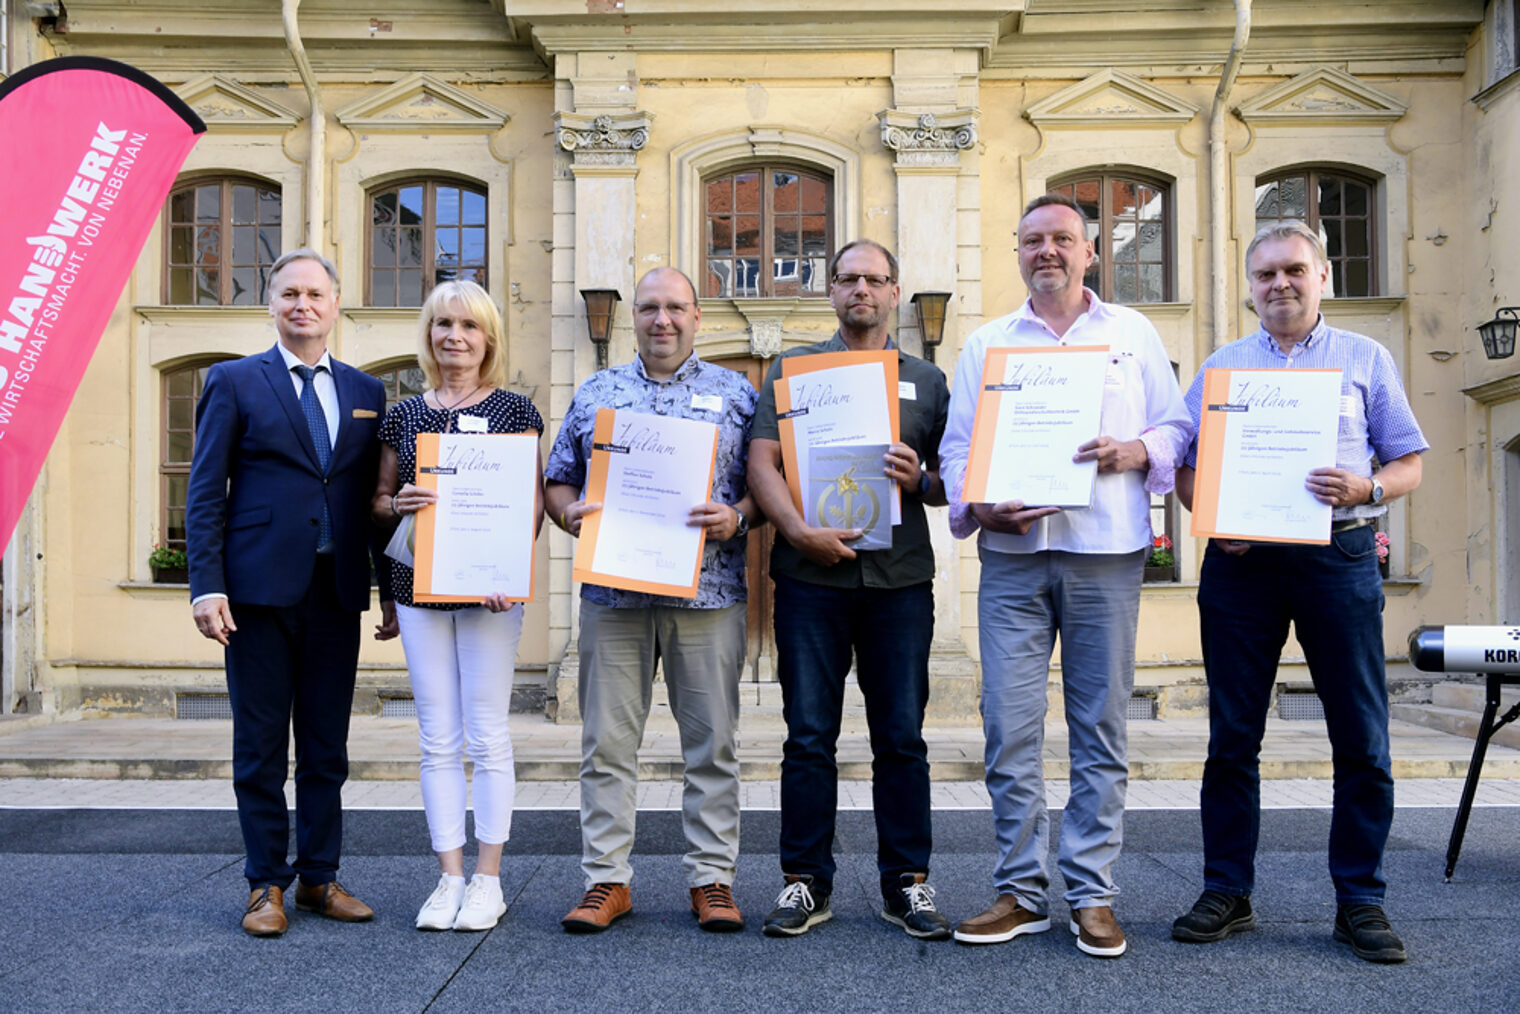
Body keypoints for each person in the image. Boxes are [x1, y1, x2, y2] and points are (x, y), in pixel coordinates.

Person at [938, 195, 1191, 958]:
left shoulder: (1131, 334)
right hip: (1013, 561)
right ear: (1017, 253)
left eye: (1062, 240)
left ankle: (1092, 893)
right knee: (1007, 731)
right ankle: (1020, 892)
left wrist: (1138, 450)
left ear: (1089, 253)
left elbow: (1176, 424)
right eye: (1032, 241)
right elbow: (957, 449)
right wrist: (976, 505)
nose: (1046, 251)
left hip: (1104, 555)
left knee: (1099, 730)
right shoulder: (987, 343)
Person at [1170, 220, 1426, 964]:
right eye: (1265, 275)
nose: (1279, 284)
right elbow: (1182, 464)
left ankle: (1361, 901)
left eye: (1293, 271)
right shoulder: (1224, 366)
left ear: (1322, 278)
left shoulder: (1365, 359)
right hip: (1241, 563)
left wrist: (1370, 485)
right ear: (1250, 288)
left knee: (1361, 736)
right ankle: (1228, 892)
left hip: (1338, 553)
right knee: (1231, 736)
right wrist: (1211, 513)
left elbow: (1409, 460)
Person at [746, 239, 953, 940]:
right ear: (831, 291)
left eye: (874, 279)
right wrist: (795, 531)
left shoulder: (927, 380)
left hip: (899, 583)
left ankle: (907, 883)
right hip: (810, 580)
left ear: (895, 291)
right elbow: (762, 461)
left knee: (901, 737)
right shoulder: (794, 370)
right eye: (847, 278)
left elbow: (957, 481)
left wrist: (919, 479)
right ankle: (806, 881)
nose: (860, 289)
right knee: (808, 736)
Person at [544, 267, 759, 934]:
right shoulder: (597, 391)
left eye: (674, 308)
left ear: (698, 317)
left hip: (709, 593)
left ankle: (712, 879)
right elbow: (557, 480)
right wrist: (572, 513)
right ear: (633, 317)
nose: (661, 320)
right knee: (606, 743)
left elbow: (770, 482)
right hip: (614, 596)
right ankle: (607, 880)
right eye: (648, 309)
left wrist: (740, 518)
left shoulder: (738, 394)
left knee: (713, 745)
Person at [187, 248, 394, 937]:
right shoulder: (235, 381)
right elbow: (204, 493)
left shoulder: (367, 392)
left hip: (335, 593)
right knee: (261, 746)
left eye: (315, 294)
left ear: (336, 305)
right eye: (289, 294)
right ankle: (263, 886)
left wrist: (389, 590)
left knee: (327, 746)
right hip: (256, 596)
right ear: (271, 304)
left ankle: (319, 878)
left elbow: (369, 500)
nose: (302, 305)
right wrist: (206, 585)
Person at [372, 280, 544, 932]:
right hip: (418, 590)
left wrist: (509, 566)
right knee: (437, 738)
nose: (455, 337)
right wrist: (398, 505)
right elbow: (377, 502)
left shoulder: (515, 412)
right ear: (429, 334)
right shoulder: (403, 414)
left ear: (488, 338)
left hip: (489, 596)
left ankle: (488, 879)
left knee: (488, 734)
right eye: (444, 324)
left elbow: (526, 503)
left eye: (469, 326)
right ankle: (448, 876)